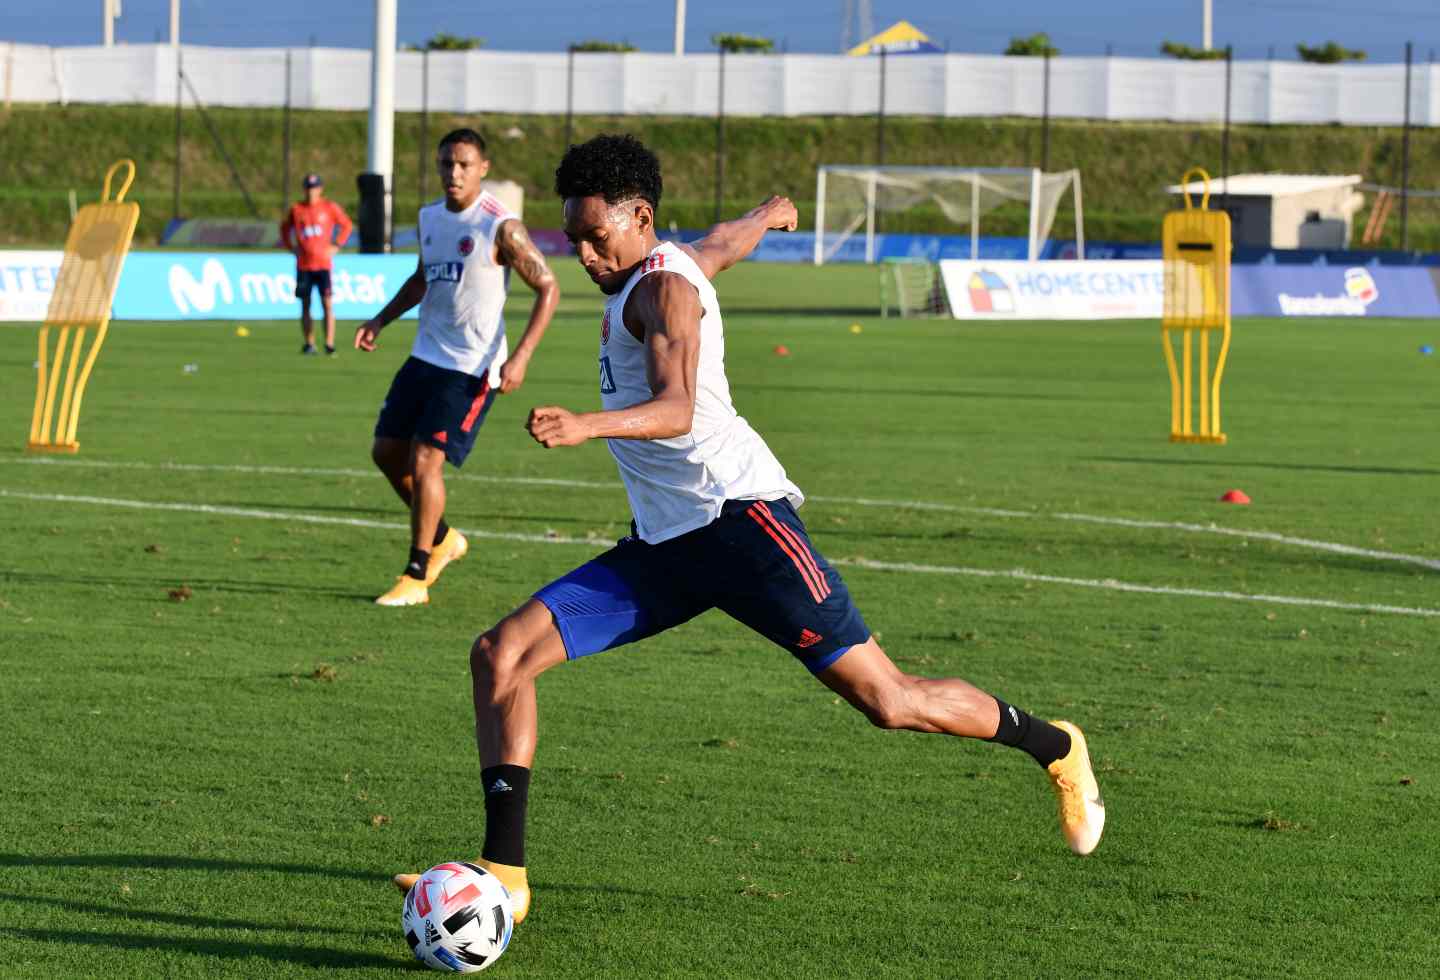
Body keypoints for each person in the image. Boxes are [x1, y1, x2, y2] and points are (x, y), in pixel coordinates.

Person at [392, 135, 1104, 922]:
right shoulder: (664, 257)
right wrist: (771, 211)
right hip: (666, 547)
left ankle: (1055, 745)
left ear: (640, 218)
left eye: (596, 237)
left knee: (890, 701)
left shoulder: (663, 293)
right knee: (500, 655)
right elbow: (724, 242)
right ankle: (507, 875)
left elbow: (677, 409)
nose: (585, 255)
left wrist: (586, 424)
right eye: (573, 238)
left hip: (744, 528)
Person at [355, 129, 559, 606]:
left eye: (464, 164)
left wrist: (521, 355)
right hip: (425, 355)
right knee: (386, 453)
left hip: (471, 366)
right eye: (447, 163)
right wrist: (380, 321)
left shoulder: (500, 226)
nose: (454, 173)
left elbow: (547, 287)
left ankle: (416, 574)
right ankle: (444, 538)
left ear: (482, 168)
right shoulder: (429, 217)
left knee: (426, 462)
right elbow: (422, 277)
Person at [280, 173, 353, 355]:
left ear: (320, 189)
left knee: (327, 303)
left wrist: (336, 245)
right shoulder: (297, 209)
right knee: (305, 304)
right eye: (308, 188)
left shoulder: (329, 207)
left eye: (314, 188)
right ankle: (309, 343)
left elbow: (347, 225)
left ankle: (329, 343)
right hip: (304, 265)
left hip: (323, 265)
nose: (311, 191)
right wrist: (291, 247)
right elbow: (284, 228)